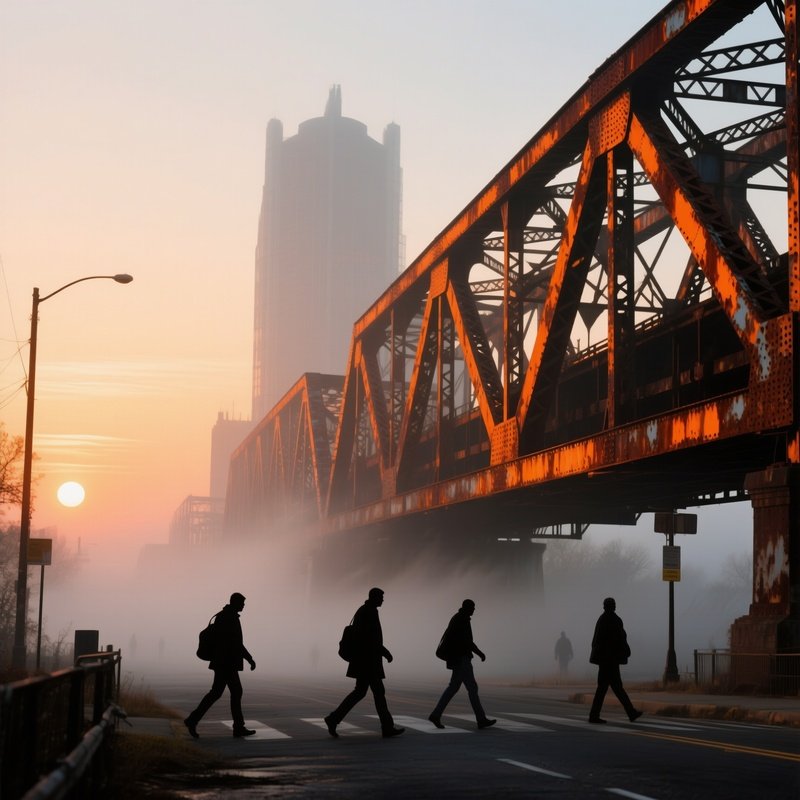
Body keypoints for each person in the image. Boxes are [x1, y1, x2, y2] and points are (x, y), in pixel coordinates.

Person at [324, 588, 404, 738]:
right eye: (381, 597)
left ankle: (333, 719)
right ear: (374, 597)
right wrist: (385, 652)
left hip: (364, 661)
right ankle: (387, 727)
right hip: (368, 661)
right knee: (378, 693)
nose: (383, 600)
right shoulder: (369, 612)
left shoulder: (365, 610)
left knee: (361, 692)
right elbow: (370, 639)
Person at [184, 592, 257, 738]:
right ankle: (238, 727)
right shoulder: (229, 618)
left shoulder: (225, 616)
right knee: (234, 692)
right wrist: (249, 659)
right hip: (226, 663)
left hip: (223, 662)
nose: (244, 606)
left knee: (217, 693)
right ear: (236, 603)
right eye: (242, 603)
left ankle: (193, 720)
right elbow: (236, 643)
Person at [428, 599, 496, 730]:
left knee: (453, 687)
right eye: (473, 607)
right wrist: (480, 653)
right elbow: (467, 642)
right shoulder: (462, 620)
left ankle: (436, 715)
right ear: (467, 608)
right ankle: (481, 719)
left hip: (457, 659)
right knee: (472, 688)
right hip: (462, 659)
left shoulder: (458, 618)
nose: (474, 610)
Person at [588, 597, 642, 724]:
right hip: (611, 661)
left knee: (605, 689)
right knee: (616, 688)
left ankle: (595, 715)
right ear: (613, 606)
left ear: (604, 606)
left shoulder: (601, 620)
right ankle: (630, 712)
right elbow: (621, 639)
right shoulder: (615, 620)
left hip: (604, 661)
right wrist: (625, 652)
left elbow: (595, 641)